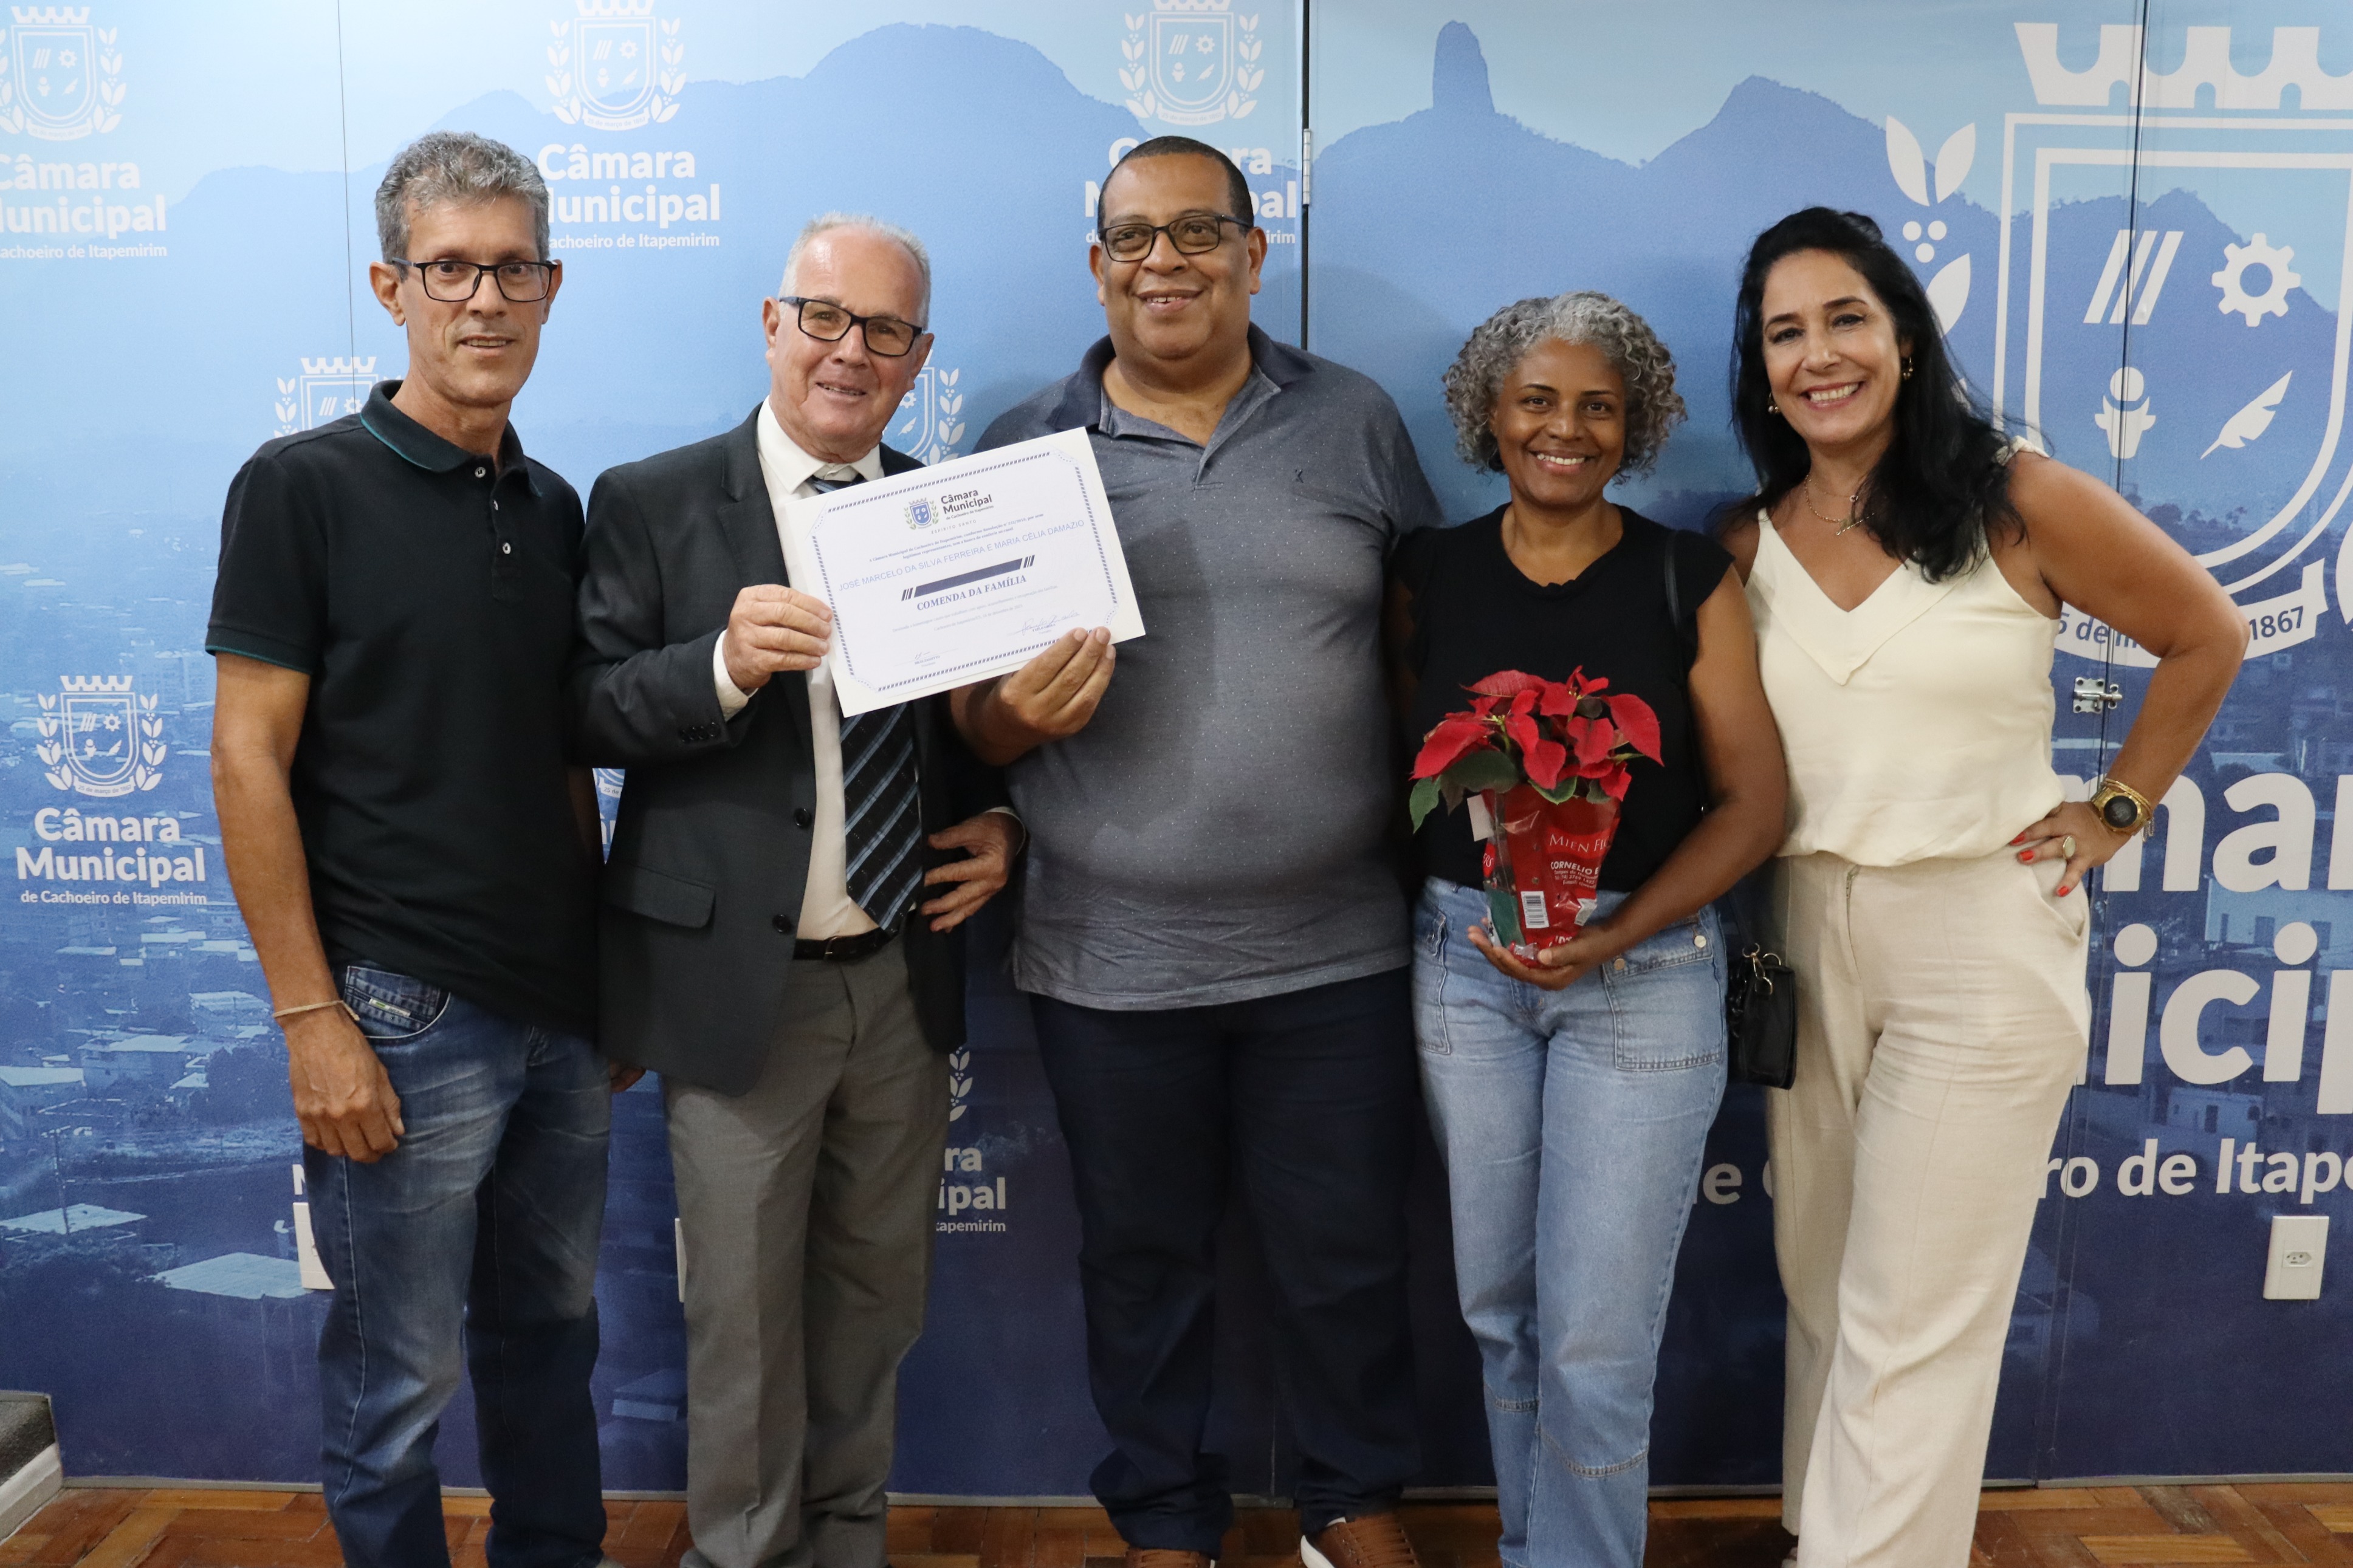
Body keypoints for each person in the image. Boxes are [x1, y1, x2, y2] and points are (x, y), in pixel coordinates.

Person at [1719, 208, 2245, 1568]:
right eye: (1785, 332)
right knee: (1823, 1282)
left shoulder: (2017, 498)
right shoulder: (1747, 542)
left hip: (1977, 934)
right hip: (1800, 931)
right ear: (1758, 368)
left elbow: (2205, 632)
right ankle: (1821, 1533)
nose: (1819, 354)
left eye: (1846, 318)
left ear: (1904, 334)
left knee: (1915, 1312)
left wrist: (2114, 812)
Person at [955, 135, 1443, 1568]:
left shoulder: (1352, 420)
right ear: (1096, 264)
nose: (1162, 261)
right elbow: (965, 716)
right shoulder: (1025, 449)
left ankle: (1351, 1501)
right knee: (1141, 1262)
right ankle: (1167, 1519)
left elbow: (1415, 647)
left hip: (1336, 950)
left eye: (1196, 232)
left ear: (1252, 252)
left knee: (1347, 1258)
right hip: (1107, 958)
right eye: (1132, 238)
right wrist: (1011, 722)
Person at [569, 213, 1018, 1568]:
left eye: (885, 330)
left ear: (919, 357)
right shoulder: (651, 498)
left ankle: (846, 1546)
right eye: (824, 317)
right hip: (735, 996)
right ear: (773, 324)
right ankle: (740, 1555)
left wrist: (1005, 822)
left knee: (878, 1306)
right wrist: (716, 664)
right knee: (744, 1325)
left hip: (899, 975)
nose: (849, 351)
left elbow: (976, 733)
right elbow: (586, 707)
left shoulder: (946, 508)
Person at [207, 131, 617, 1568]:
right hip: (396, 1014)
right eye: (450, 269)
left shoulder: (554, 506)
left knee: (552, 1347)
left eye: (513, 268)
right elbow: (246, 757)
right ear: (392, 288)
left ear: (551, 286)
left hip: (561, 1015)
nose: (484, 299)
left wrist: (604, 982)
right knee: (396, 1386)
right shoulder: (300, 485)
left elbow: (563, 759)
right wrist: (311, 1019)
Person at [1385, 293, 1787, 1568]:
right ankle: (1535, 1549)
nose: (1565, 429)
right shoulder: (1427, 573)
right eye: (1537, 402)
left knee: (1593, 1343)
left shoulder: (1686, 577)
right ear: (1489, 416)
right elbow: (1406, 767)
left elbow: (1755, 804)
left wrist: (1614, 937)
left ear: (1636, 426)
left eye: (1598, 407)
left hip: (1644, 973)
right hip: (1465, 967)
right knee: (1501, 1313)